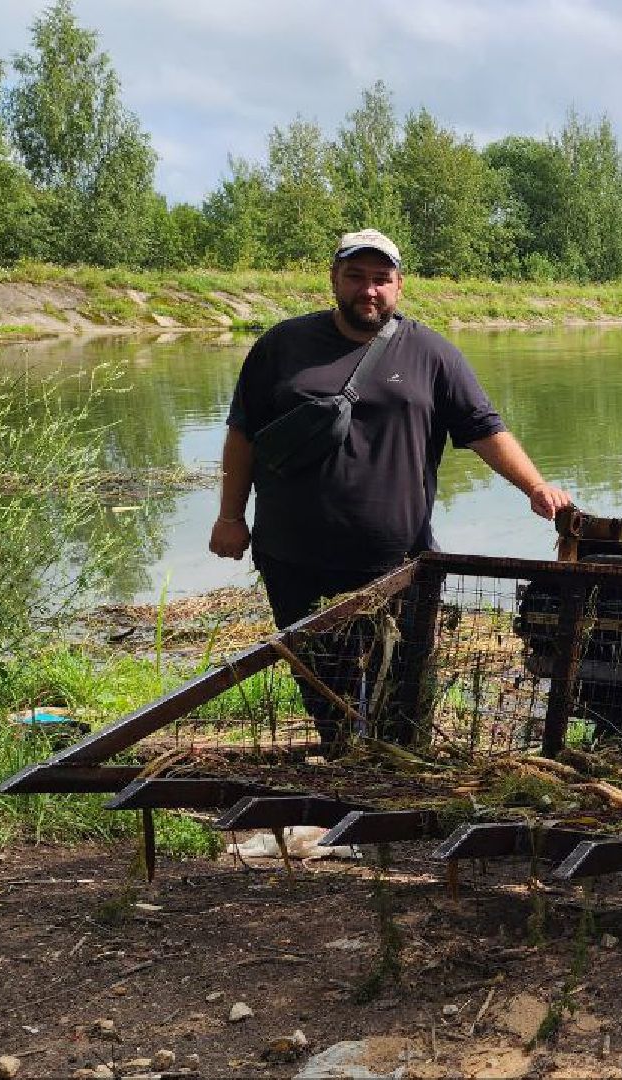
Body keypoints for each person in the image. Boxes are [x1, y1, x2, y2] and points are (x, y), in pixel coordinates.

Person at [209, 228, 573, 748]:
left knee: (401, 698)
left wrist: (535, 487)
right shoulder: (282, 347)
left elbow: (485, 430)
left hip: (398, 567)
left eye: (381, 279)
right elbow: (242, 433)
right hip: (292, 559)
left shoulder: (432, 353)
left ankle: (394, 774)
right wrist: (229, 516)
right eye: (356, 276)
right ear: (334, 279)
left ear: (400, 285)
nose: (369, 290)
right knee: (321, 687)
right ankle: (341, 766)